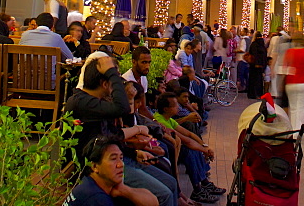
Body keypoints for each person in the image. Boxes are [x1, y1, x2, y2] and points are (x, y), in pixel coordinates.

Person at [64, 57, 178, 206]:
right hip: (97, 167)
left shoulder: (94, 101)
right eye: (114, 81)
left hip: (115, 158)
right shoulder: (81, 102)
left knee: (171, 183)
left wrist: (134, 153)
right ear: (105, 84)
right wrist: (111, 72)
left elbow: (112, 134)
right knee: (164, 195)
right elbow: (122, 108)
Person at [153, 94, 224, 204]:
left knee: (195, 149)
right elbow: (186, 140)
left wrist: (204, 146)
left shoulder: (169, 119)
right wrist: (204, 150)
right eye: (175, 105)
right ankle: (197, 189)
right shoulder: (160, 121)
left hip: (175, 148)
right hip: (166, 153)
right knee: (190, 152)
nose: (178, 107)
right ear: (166, 109)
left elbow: (189, 134)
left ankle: (204, 182)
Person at [62, 136, 158, 206]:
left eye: (121, 158)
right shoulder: (96, 198)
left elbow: (153, 202)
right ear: (94, 166)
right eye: (113, 159)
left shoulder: (90, 182)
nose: (120, 164)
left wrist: (124, 190)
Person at [281, 33, 304, 140]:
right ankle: (297, 132)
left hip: (291, 83)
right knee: (302, 108)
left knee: (293, 108)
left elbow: (285, 68)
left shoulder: (289, 52)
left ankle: (293, 130)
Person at [246, 32, 267, 100]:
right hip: (261, 65)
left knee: (252, 80)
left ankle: (252, 94)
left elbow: (252, 53)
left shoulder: (254, 44)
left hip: (253, 65)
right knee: (259, 80)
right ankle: (259, 94)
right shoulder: (263, 45)